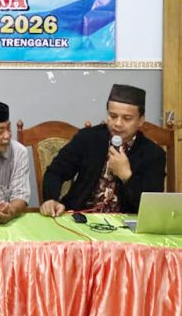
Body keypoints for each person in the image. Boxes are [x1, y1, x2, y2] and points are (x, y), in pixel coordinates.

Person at [40, 84, 166, 217]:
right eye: (113, 116)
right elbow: (55, 172)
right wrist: (51, 199)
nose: (118, 123)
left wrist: (126, 176)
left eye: (127, 118)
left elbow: (150, 208)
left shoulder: (153, 154)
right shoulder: (88, 138)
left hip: (124, 222)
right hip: (80, 216)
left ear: (140, 121)